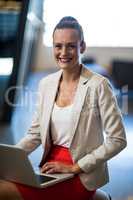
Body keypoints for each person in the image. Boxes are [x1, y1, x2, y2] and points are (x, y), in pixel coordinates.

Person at [0, 16, 127, 200]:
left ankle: (96, 196)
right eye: (58, 46)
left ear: (82, 46)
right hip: (50, 170)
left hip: (81, 174)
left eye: (71, 46)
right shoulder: (46, 84)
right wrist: (9, 161)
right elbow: (35, 133)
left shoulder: (98, 85)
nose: (63, 52)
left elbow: (117, 139)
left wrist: (74, 168)